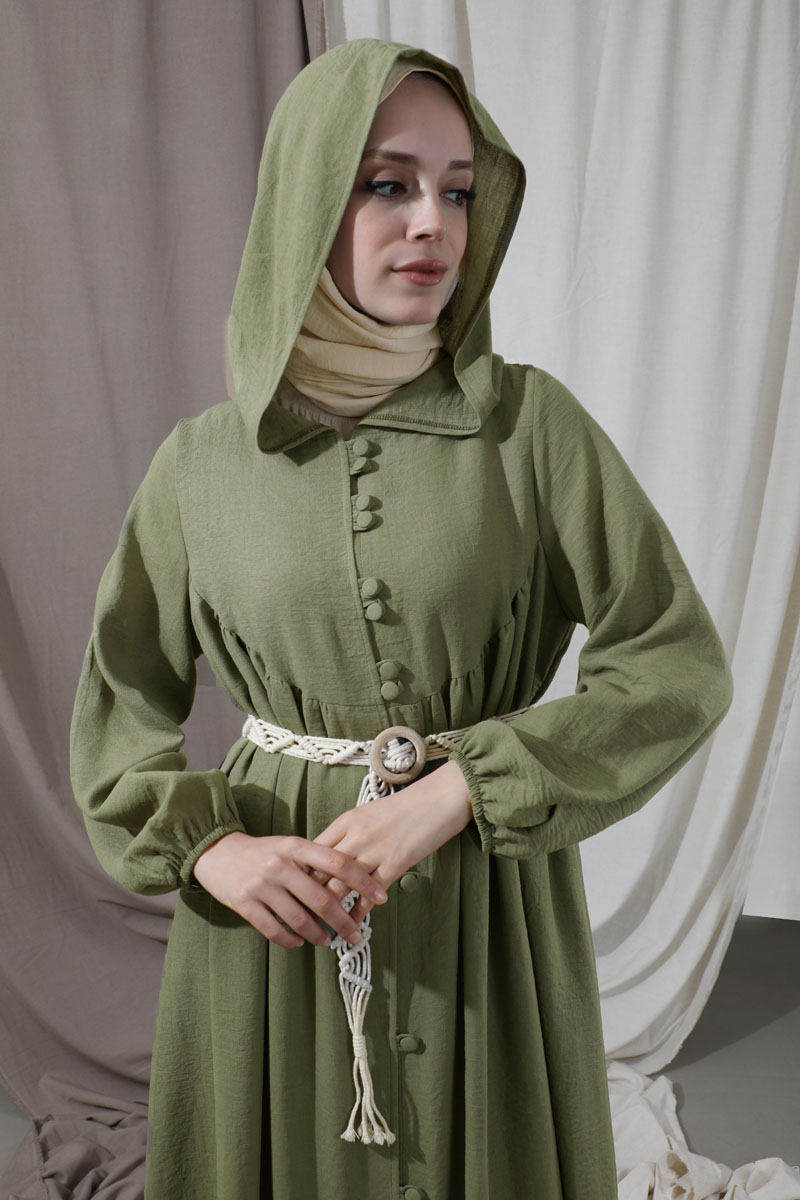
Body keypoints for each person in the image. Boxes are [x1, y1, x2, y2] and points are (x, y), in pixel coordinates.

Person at [70, 38, 733, 1200]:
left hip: (488, 909)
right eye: (387, 184)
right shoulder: (200, 465)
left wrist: (463, 785)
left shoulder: (532, 430)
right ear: (305, 203)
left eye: (457, 191)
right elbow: (120, 712)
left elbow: (671, 664)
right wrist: (215, 852)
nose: (432, 222)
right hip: (274, 926)